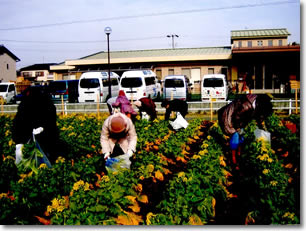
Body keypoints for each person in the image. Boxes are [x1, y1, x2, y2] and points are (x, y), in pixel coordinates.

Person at [218, 94, 273, 167]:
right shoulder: (246, 106)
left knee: (242, 138)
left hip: (239, 120)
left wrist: (263, 129)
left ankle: (239, 155)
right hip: (228, 118)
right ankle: (233, 159)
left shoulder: (256, 105)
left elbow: (259, 117)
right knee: (235, 137)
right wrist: (238, 129)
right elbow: (236, 117)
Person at [12, 86, 59, 164]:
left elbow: (50, 123)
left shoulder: (28, 104)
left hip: (40, 138)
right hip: (29, 138)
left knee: (38, 158)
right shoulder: (27, 105)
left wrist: (42, 129)